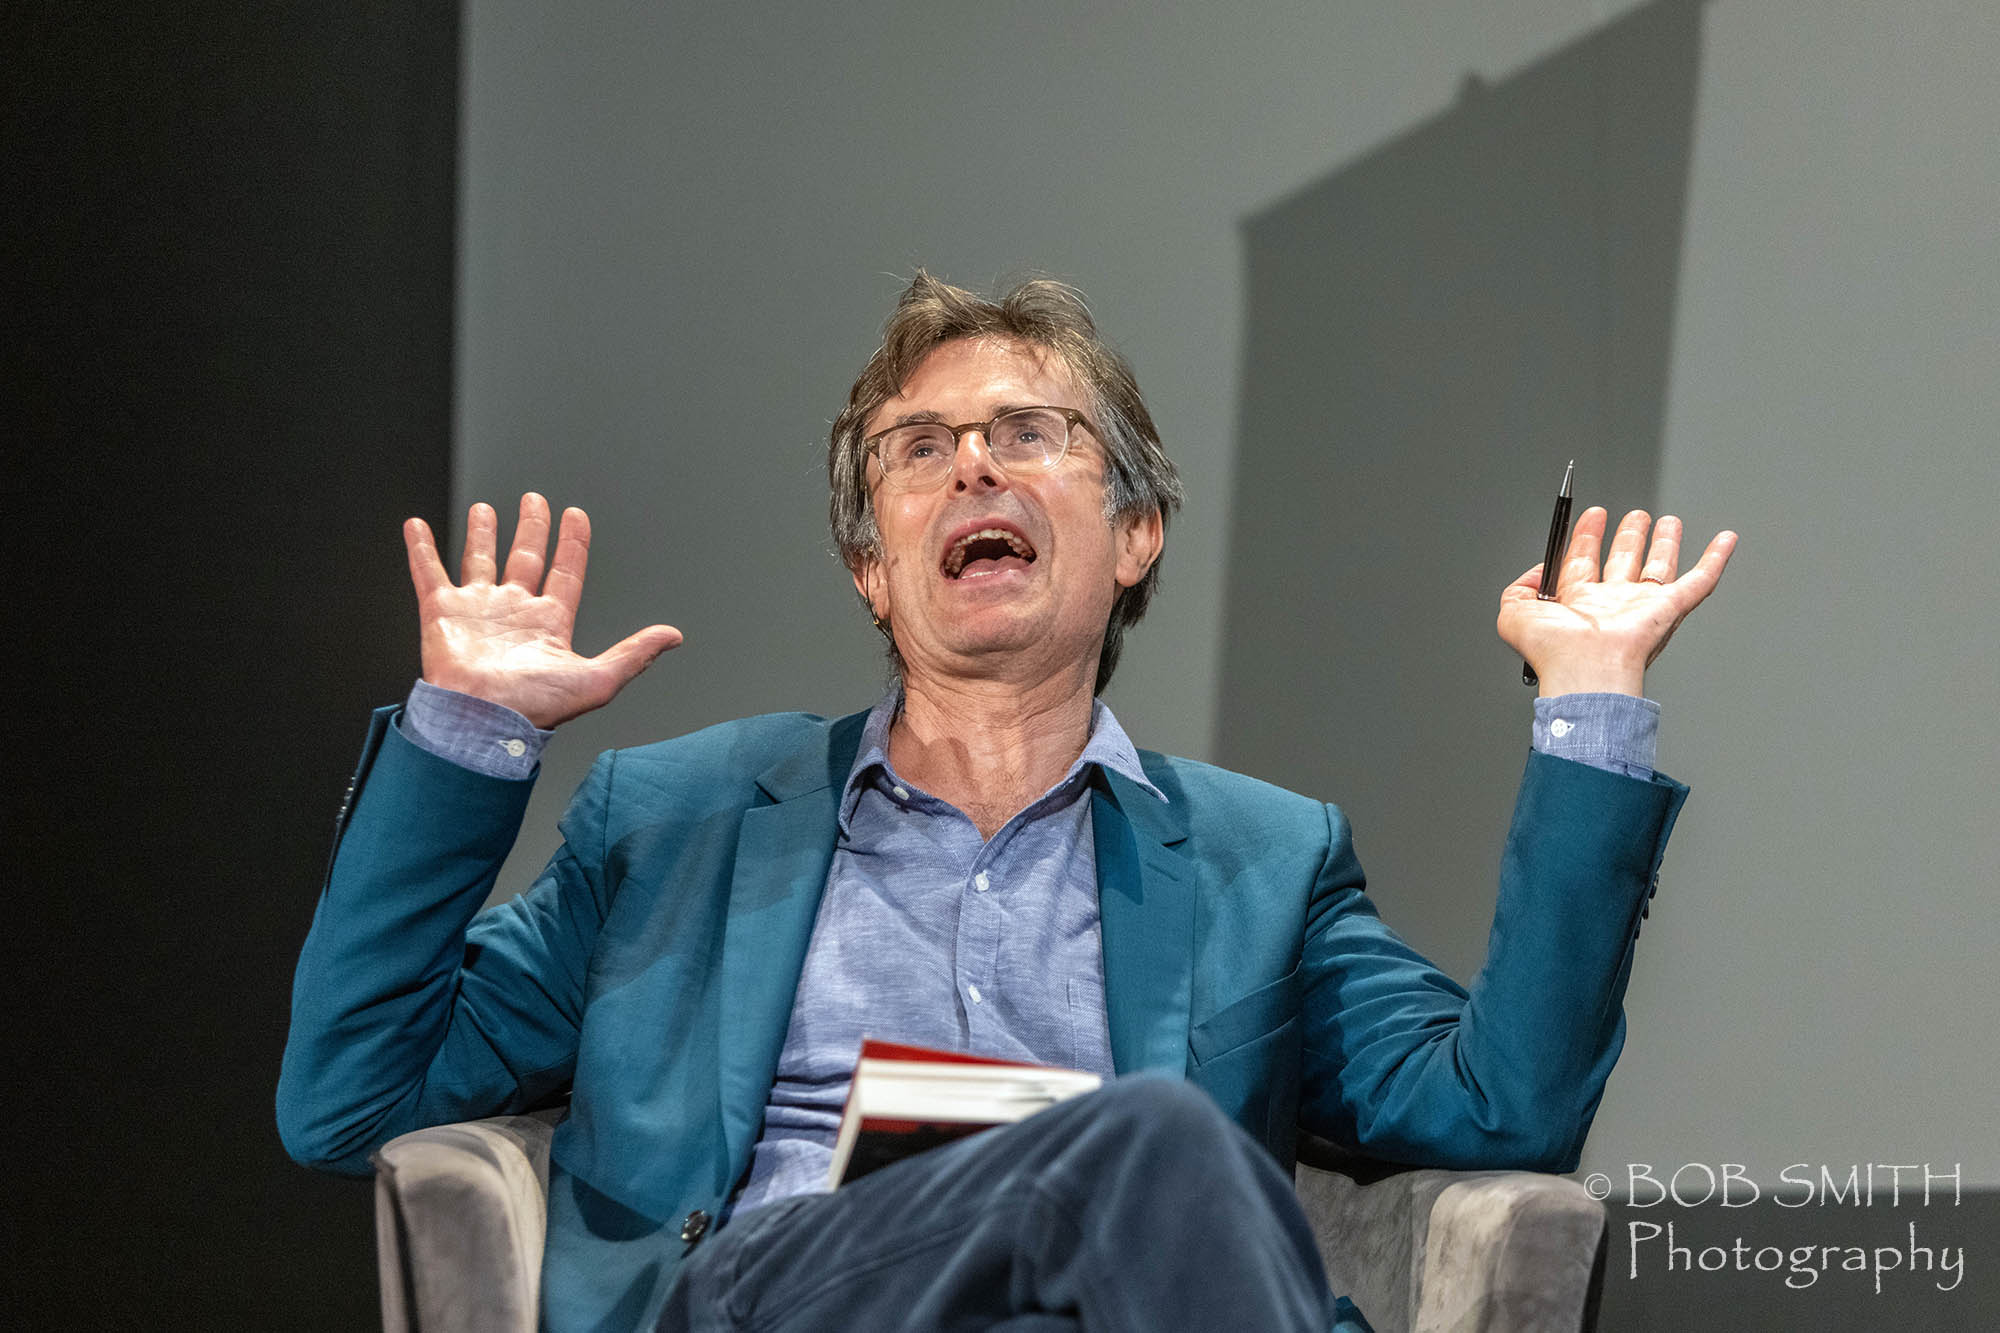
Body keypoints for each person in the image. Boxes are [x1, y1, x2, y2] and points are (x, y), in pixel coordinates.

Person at [278, 273, 1737, 1332]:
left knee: (1128, 1190)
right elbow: (350, 1099)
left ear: (1136, 534)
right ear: (873, 563)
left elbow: (1503, 1114)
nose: (971, 459)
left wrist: (1590, 707)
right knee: (1153, 1140)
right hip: (775, 1296)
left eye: (1031, 433)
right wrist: (465, 733)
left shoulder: (1262, 859)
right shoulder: (674, 818)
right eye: (919, 450)